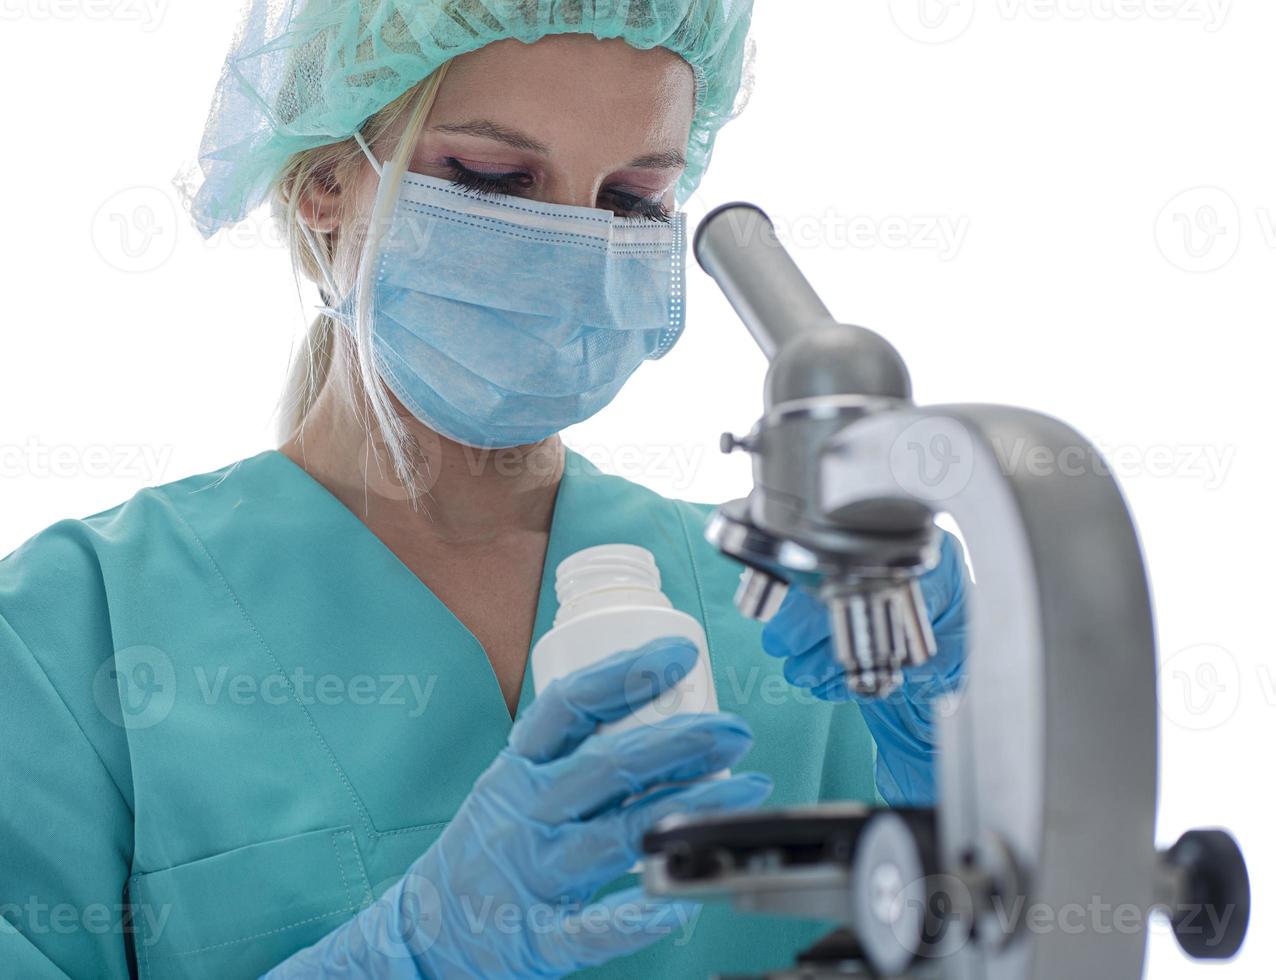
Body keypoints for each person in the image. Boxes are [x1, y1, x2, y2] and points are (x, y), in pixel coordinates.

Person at [0, 2, 969, 977]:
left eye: (631, 200)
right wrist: (396, 958)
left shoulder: (798, 613)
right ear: (325, 184)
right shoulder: (73, 631)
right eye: (494, 178)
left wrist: (979, 752)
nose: (571, 249)